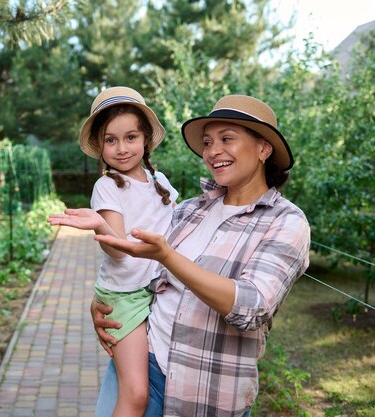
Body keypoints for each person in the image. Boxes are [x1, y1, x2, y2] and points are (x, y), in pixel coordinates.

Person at [88, 94, 311, 417]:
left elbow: (253, 306)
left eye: (226, 139)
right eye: (208, 142)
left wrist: (168, 257)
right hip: (144, 368)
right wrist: (103, 301)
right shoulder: (191, 209)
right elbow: (141, 268)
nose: (213, 151)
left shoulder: (285, 222)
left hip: (204, 394)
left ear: (264, 148)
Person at [48, 86, 179, 416]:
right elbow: (119, 252)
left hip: (157, 294)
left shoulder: (159, 180)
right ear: (100, 146)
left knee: (157, 384)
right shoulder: (106, 186)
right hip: (125, 298)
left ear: (146, 139)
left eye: (131, 137)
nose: (121, 149)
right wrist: (99, 225)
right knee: (136, 394)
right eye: (111, 140)